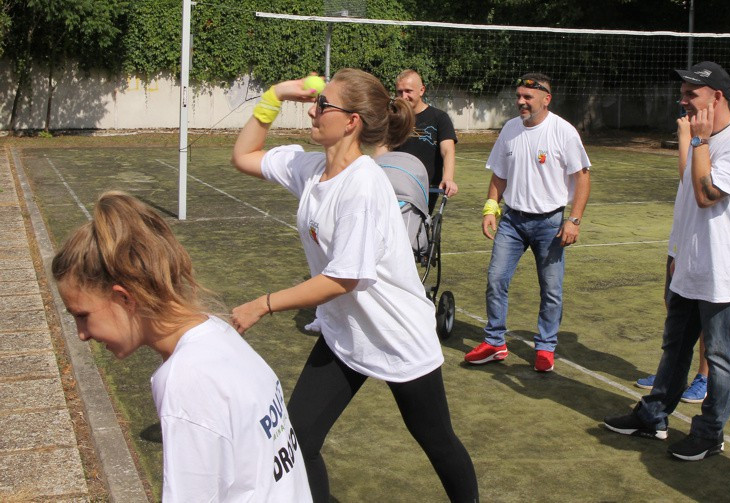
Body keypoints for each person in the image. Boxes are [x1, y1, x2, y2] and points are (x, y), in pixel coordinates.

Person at [229, 68, 478, 502]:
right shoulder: (310, 169)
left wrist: (263, 304)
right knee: (299, 440)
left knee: (437, 441)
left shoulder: (363, 186)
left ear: (351, 122)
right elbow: (244, 155)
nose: (312, 110)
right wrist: (275, 95)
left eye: (323, 104)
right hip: (346, 333)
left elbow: (342, 279)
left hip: (398, 335)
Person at [51, 191, 312, 501]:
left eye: (83, 316)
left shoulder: (186, 381)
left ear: (124, 298)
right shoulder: (216, 331)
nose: (81, 334)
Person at [604, 61, 730, 461]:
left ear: (717, 97)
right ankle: (653, 416)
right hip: (690, 265)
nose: (683, 101)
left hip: (722, 272)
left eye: (692, 93)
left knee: (720, 358)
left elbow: (707, 195)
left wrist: (700, 141)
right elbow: (687, 196)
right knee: (674, 348)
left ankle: (710, 434)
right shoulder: (700, 140)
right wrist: (677, 254)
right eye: (683, 93)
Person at [464, 72, 591, 372]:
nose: (521, 102)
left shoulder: (563, 131)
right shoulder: (510, 129)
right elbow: (499, 174)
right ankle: (495, 342)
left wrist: (574, 220)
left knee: (551, 290)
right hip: (512, 221)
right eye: (519, 96)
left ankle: (545, 347)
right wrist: (490, 208)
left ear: (546, 99)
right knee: (496, 279)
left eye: (527, 97)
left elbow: (582, 178)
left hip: (550, 224)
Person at [635, 116, 709, 405]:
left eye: (691, 96)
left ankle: (703, 377)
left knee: (704, 315)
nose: (685, 104)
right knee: (673, 304)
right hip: (681, 238)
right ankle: (672, 373)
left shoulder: (710, 138)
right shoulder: (697, 135)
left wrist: (685, 135)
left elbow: (689, 179)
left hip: (701, 243)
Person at [375, 69, 458, 214]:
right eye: (399, 92)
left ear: (421, 90)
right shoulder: (391, 118)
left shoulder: (439, 118)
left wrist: (448, 178)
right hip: (395, 187)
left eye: (408, 91)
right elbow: (382, 149)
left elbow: (447, 150)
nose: (403, 97)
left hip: (425, 189)